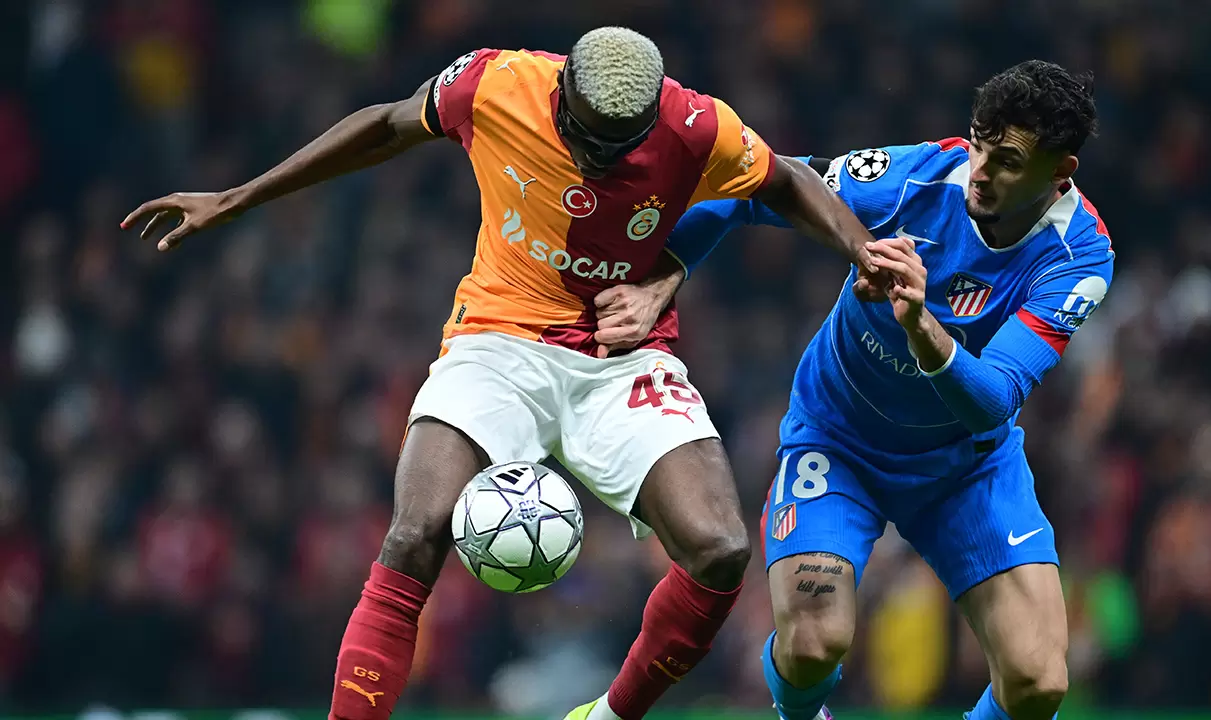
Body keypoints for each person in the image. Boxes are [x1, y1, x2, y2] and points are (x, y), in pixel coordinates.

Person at [120, 27, 891, 720]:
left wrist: (863, 249)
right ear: (562, 96)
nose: (599, 161)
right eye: (587, 141)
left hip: (622, 359)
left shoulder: (694, 124)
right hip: (498, 342)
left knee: (720, 548)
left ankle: (608, 717)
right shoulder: (497, 82)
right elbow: (387, 124)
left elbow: (786, 180)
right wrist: (241, 196)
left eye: (619, 148)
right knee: (416, 531)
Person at [613, 60, 1111, 720]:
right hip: (839, 442)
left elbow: (993, 400)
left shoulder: (1079, 256)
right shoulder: (912, 178)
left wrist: (919, 324)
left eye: (1009, 161)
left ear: (1060, 172)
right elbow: (754, 182)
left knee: (1038, 681)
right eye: (978, 145)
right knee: (813, 644)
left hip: (965, 467)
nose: (981, 171)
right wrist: (667, 274)